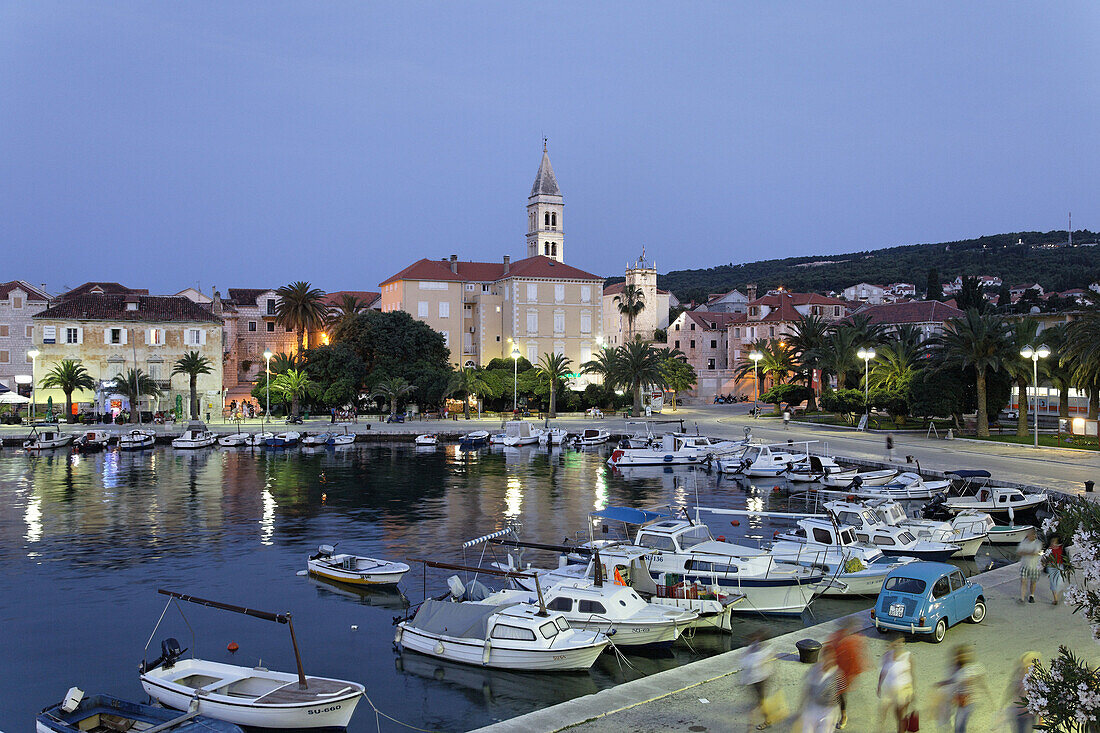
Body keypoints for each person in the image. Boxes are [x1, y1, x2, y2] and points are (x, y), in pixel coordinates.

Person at [936, 645, 988, 733]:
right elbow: (952, 681)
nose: (959, 658)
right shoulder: (959, 670)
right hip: (961, 701)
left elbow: (978, 681)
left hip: (966, 703)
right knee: (958, 725)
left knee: (959, 726)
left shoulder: (970, 669)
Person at [827, 617, 866, 729]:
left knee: (840, 695)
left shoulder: (852, 641)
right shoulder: (837, 637)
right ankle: (833, 715)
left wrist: (851, 676)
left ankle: (843, 715)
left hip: (843, 673)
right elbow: (830, 651)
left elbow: (855, 660)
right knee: (834, 694)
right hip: (834, 670)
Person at [877, 636, 914, 733]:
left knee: (900, 716)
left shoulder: (907, 656)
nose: (900, 645)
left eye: (902, 643)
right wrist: (879, 686)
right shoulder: (887, 655)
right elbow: (883, 671)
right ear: (893, 644)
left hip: (904, 689)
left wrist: (913, 691)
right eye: (897, 643)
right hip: (890, 689)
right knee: (883, 712)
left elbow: (911, 673)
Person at [739, 633, 775, 730]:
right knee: (760, 703)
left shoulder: (762, 651)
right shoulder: (754, 647)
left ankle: (752, 725)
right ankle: (767, 719)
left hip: (760, 680)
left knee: (759, 704)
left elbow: (754, 663)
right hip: (755, 680)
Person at [798, 652, 840, 733]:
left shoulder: (836, 674)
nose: (827, 662)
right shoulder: (815, 669)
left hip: (827, 711)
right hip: (813, 707)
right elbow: (807, 688)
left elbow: (838, 695)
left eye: (830, 660)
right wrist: (801, 706)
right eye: (825, 659)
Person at [1005, 651, 1040, 733]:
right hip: (1019, 713)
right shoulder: (1018, 677)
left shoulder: (1036, 679)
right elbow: (1010, 691)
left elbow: (1040, 698)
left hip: (1029, 714)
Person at [1017, 528, 1043, 603]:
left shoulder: (1038, 543)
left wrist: (1025, 552)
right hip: (1024, 565)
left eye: (1034, 534)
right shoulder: (1023, 542)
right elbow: (1019, 552)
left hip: (1035, 566)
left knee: (1033, 582)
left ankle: (1032, 595)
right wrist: (1029, 552)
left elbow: (1035, 553)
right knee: (1023, 581)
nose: (1033, 536)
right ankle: (1022, 597)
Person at [1045, 534, 1065, 605]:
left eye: (1054, 542)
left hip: (1059, 565)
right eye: (1052, 542)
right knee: (1053, 582)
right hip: (1051, 566)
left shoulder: (1061, 548)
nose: (1053, 543)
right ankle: (1055, 599)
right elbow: (1046, 558)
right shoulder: (1049, 550)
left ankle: (1059, 591)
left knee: (1060, 581)